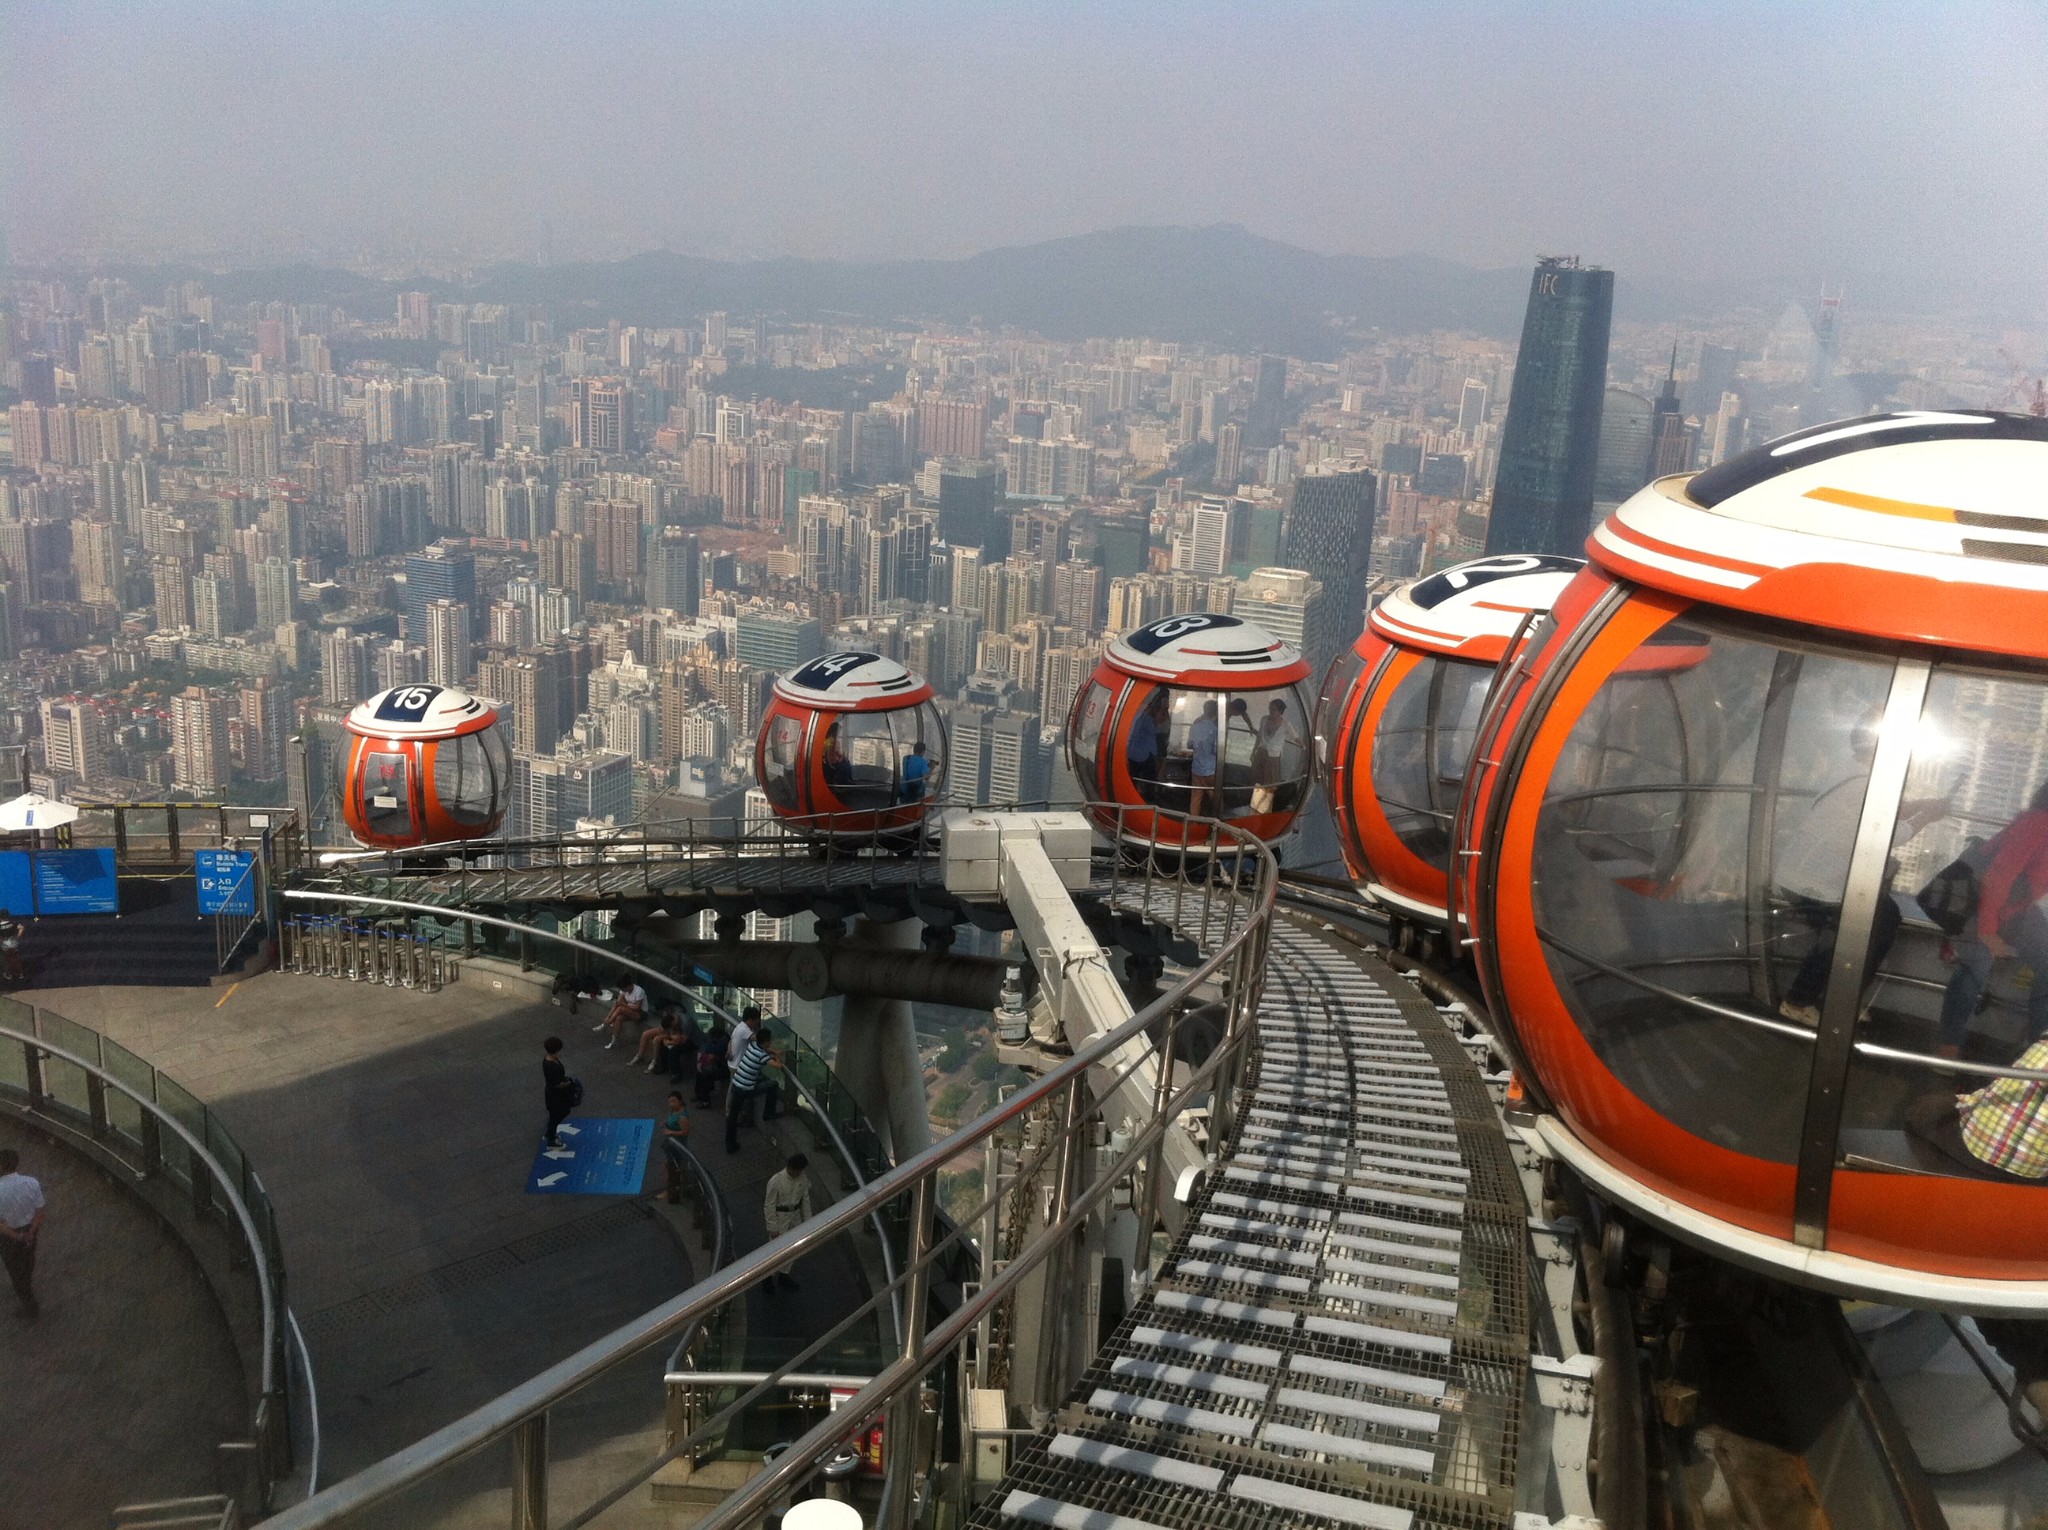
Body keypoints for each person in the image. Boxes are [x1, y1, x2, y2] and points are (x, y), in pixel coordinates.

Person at [1905, 1034, 2048, 1181]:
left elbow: (2002, 1091)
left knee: (1922, 1109)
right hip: (2033, 1174)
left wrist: (1965, 1100)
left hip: (1975, 1149)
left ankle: (1931, 1180)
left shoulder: (2043, 1046)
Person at [725, 1021, 785, 1153]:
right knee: (773, 1084)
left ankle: (730, 1143)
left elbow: (766, 1049)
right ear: (766, 1042)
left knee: (733, 1116)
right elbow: (779, 1066)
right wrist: (777, 1056)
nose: (770, 1043)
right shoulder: (762, 1055)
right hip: (747, 1089)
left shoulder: (752, 1046)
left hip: (736, 1084)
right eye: (769, 1041)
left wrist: (773, 1051)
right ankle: (768, 1113)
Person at [760, 1152, 814, 1293]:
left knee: (793, 1248)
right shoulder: (776, 1181)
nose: (797, 1173)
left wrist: (809, 1222)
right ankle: (768, 1276)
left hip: (794, 1217)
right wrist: (772, 1227)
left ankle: (784, 1274)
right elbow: (769, 1205)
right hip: (781, 1218)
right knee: (775, 1251)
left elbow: (805, 1201)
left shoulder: (802, 1179)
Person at [0, 1147, 43, 1321]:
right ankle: (26, 1283)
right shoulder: (31, 1182)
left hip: (9, 1237)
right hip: (29, 1231)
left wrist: (16, 1236)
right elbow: (40, 1211)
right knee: (27, 1262)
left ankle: (30, 1308)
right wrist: (30, 1232)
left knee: (15, 1271)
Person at [1251, 698, 1303, 815]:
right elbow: (1259, 736)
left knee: (1270, 782)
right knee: (1257, 779)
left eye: (1273, 709)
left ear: (1280, 711)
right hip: (1261, 752)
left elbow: (1295, 736)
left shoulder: (1285, 724)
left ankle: (1266, 808)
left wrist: (1304, 746)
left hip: (1273, 756)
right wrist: (1254, 750)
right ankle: (1256, 805)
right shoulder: (1264, 719)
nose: (1270, 711)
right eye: (1270, 708)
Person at [1127, 689, 1169, 804]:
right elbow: (1158, 730)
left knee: (1137, 777)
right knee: (1149, 778)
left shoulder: (1141, 717)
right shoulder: (1147, 720)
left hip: (1136, 753)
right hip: (1143, 755)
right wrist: (1162, 713)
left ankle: (1138, 797)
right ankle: (1147, 799)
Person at [1187, 699, 1220, 821]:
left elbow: (1189, 745)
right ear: (1216, 713)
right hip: (1210, 769)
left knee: (1195, 798)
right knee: (1216, 797)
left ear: (1204, 710)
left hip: (1196, 768)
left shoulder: (1195, 726)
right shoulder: (1215, 730)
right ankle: (1221, 822)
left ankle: (1193, 824)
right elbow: (1217, 750)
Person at [541, 1036, 576, 1150]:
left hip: (554, 1094)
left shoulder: (549, 1060)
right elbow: (557, 1084)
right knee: (558, 1114)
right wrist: (569, 1083)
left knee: (556, 1115)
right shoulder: (551, 1065)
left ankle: (549, 1133)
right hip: (555, 1095)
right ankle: (551, 1140)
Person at [595, 978, 648, 1049]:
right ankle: (614, 1040)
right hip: (629, 1009)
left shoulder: (639, 991)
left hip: (641, 1013)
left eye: (623, 989)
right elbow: (617, 1003)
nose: (623, 991)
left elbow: (637, 1007)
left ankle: (606, 1024)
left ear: (628, 986)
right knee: (618, 1018)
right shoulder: (624, 990)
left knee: (620, 1008)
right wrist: (608, 1016)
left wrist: (623, 1004)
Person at [659, 1091, 692, 1203]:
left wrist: (670, 1132)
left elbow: (685, 1132)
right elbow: (671, 1120)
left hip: (677, 1146)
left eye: (674, 1101)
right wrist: (666, 1123)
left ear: (680, 1101)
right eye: (669, 1102)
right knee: (669, 1166)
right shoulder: (673, 1111)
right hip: (671, 1145)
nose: (671, 1104)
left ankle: (670, 1191)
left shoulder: (682, 1117)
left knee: (672, 1168)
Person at [695, 1017, 731, 1107]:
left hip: (725, 1069)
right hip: (719, 1064)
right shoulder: (722, 1039)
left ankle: (705, 1102)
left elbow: (708, 1048)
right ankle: (699, 1094)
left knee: (705, 1075)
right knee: (700, 1073)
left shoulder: (724, 1043)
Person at [0, 911, 24, 986]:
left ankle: (9, 974)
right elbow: (22, 928)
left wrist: (1, 940)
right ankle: (20, 973)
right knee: (16, 958)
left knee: (7, 960)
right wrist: (18, 936)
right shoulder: (13, 923)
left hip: (5, 945)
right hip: (14, 943)